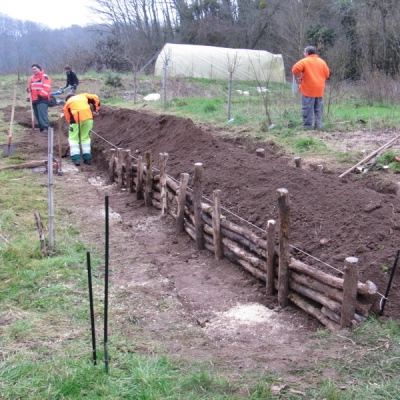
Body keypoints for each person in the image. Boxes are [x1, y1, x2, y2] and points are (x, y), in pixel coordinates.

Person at [292, 46, 330, 129]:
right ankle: (318, 126)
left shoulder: (304, 61)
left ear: (307, 53)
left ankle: (307, 126)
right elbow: (327, 74)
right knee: (318, 109)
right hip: (319, 90)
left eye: (304, 52)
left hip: (308, 89)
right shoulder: (322, 62)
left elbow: (295, 69)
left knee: (307, 109)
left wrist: (297, 79)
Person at [62, 93, 100, 166]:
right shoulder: (83, 95)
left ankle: (76, 159)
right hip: (88, 118)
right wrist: (96, 110)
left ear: (67, 99)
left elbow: (68, 117)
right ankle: (87, 159)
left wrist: (72, 124)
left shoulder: (68, 103)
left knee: (73, 139)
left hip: (76, 120)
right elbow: (95, 97)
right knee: (85, 138)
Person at [26, 64, 52, 133]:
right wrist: (28, 89)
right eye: (32, 69)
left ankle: (45, 128)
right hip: (34, 99)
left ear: (39, 69)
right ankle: (41, 128)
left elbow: (47, 88)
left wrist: (40, 95)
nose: (34, 71)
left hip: (42, 99)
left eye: (35, 69)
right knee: (37, 114)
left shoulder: (45, 77)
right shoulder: (32, 78)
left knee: (42, 114)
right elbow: (29, 86)